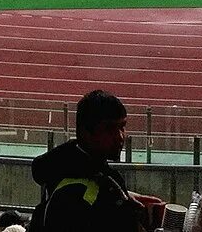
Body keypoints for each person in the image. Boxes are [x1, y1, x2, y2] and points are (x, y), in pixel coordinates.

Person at [31, 90, 155, 232]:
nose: (120, 137)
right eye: (109, 129)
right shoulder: (77, 199)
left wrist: (123, 195)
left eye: (122, 126)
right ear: (86, 132)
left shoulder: (66, 165)